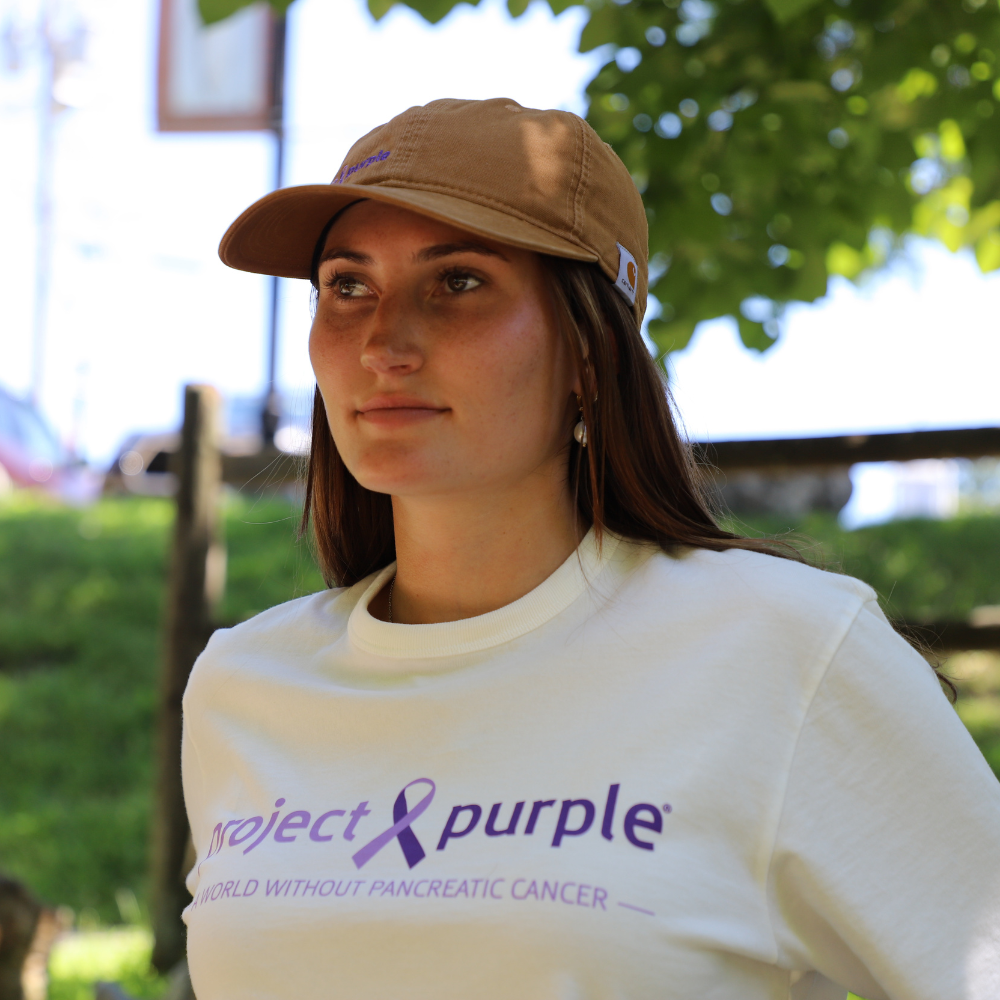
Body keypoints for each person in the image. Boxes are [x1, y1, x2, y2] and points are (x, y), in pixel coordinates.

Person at [181, 98, 1000, 1000]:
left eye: (457, 281)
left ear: (587, 347)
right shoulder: (242, 686)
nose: (383, 340)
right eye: (347, 286)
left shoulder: (784, 653)